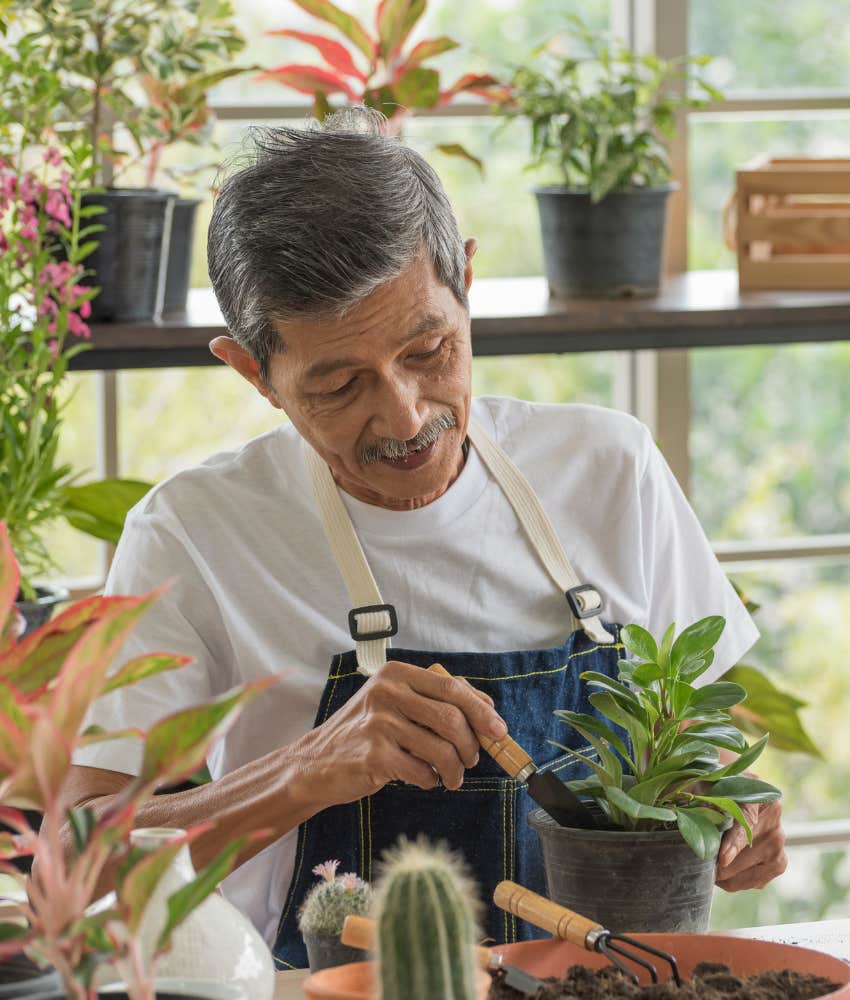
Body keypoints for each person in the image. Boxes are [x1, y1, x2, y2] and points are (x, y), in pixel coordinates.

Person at [66, 107, 786, 969]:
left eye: (429, 349)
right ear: (254, 372)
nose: (405, 416)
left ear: (468, 280)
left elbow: (705, 737)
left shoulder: (610, 468)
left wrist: (731, 811)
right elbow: (78, 863)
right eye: (337, 384)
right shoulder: (193, 533)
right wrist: (305, 770)